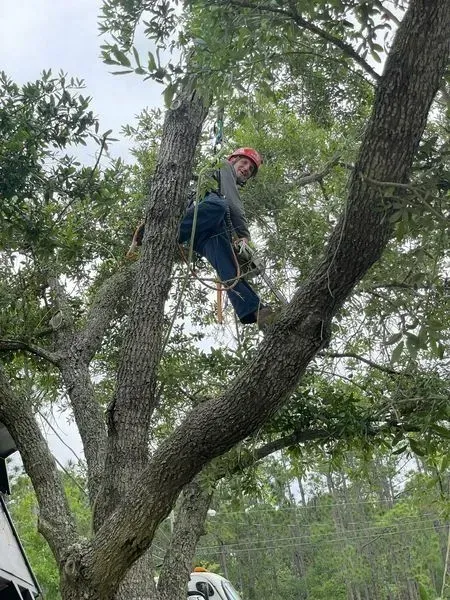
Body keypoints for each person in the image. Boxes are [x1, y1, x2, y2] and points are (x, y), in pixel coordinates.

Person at [128, 147, 275, 330]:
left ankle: (256, 310)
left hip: (206, 232)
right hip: (202, 213)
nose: (246, 169)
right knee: (220, 205)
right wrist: (244, 235)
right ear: (233, 159)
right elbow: (233, 205)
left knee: (227, 266)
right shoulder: (224, 166)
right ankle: (159, 232)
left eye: (251, 169)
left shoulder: (226, 178)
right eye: (244, 163)